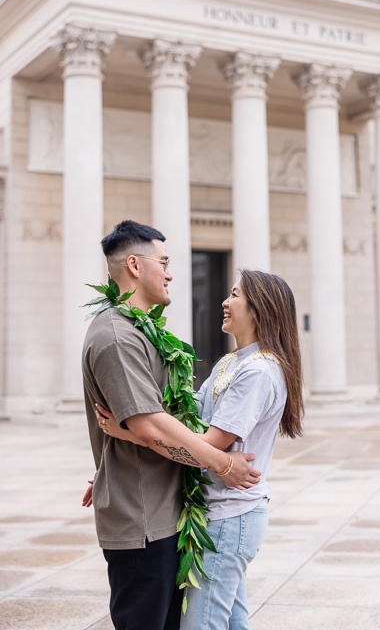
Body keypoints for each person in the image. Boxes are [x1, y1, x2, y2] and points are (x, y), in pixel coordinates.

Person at [97, 267, 304, 630]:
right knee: (231, 621)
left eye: (235, 295)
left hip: (229, 517)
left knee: (201, 625)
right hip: (220, 514)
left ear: (259, 308)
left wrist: (131, 434)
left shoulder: (259, 371)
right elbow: (192, 422)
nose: (225, 302)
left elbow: (204, 446)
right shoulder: (232, 361)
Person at [82, 220, 261, 630]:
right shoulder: (116, 337)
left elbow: (158, 421)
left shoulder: (142, 332)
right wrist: (222, 462)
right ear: (134, 265)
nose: (170, 272)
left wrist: (110, 462)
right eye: (163, 262)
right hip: (143, 519)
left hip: (164, 513)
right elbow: (151, 426)